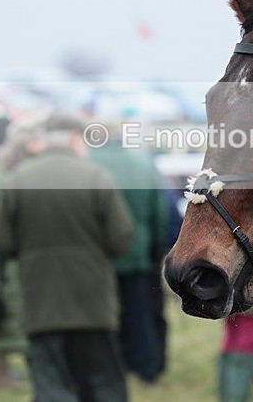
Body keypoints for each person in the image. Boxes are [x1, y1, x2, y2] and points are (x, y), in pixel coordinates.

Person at [0, 112, 135, 402]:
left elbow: (1, 241)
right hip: (92, 304)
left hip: (40, 303)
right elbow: (121, 237)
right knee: (103, 382)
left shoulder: (18, 179)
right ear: (73, 138)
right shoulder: (96, 177)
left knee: (51, 384)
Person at [88, 136, 169, 383]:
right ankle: (146, 368)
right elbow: (158, 209)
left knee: (102, 313)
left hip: (98, 254)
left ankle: (108, 367)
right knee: (139, 311)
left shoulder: (88, 162)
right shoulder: (142, 163)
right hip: (138, 251)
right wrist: (157, 245)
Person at [0, 112, 45, 388]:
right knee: (1, 313)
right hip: (9, 261)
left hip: (27, 259)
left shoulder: (26, 170)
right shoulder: (4, 172)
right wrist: (14, 241)